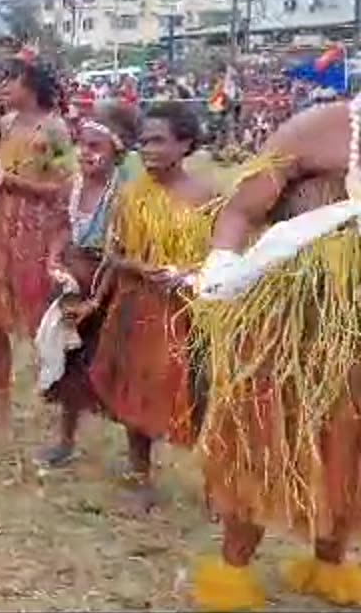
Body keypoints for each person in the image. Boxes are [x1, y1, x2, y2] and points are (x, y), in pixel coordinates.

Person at [188, 98, 361, 609]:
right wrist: (220, 266)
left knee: (350, 442)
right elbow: (242, 208)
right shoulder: (325, 127)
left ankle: (329, 563)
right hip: (294, 323)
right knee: (266, 437)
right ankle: (233, 572)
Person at [86, 101, 218, 512]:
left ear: (185, 144)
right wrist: (140, 268)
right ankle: (140, 477)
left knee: (199, 393)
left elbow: (227, 256)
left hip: (191, 310)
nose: (148, 149)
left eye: (159, 141)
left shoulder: (209, 197)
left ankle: (217, 485)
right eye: (143, 141)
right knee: (135, 390)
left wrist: (189, 272)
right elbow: (115, 254)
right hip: (138, 307)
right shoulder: (129, 196)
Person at [0, 52, 70, 438]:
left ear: (30, 84)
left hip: (35, 230)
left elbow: (63, 188)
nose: (4, 87)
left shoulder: (55, 130)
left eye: (11, 80)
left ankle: (55, 396)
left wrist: (15, 184)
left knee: (42, 320)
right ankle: (0, 403)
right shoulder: (4, 124)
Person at [33, 104, 136, 468]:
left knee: (116, 367)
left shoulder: (126, 195)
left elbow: (120, 252)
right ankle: (65, 440)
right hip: (72, 281)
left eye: (96, 146)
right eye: (81, 144)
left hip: (110, 287)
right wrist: (53, 260)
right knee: (68, 361)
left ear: (117, 152)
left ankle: (138, 463)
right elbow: (61, 227)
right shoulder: (72, 186)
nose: (85, 153)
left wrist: (96, 299)